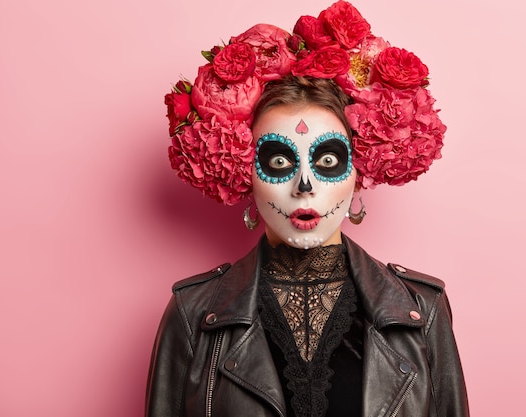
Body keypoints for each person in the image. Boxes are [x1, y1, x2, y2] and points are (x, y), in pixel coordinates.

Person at [147, 2, 469, 416]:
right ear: (244, 170)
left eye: (329, 162)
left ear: (360, 168)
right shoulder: (194, 314)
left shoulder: (421, 310)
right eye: (279, 162)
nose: (304, 186)